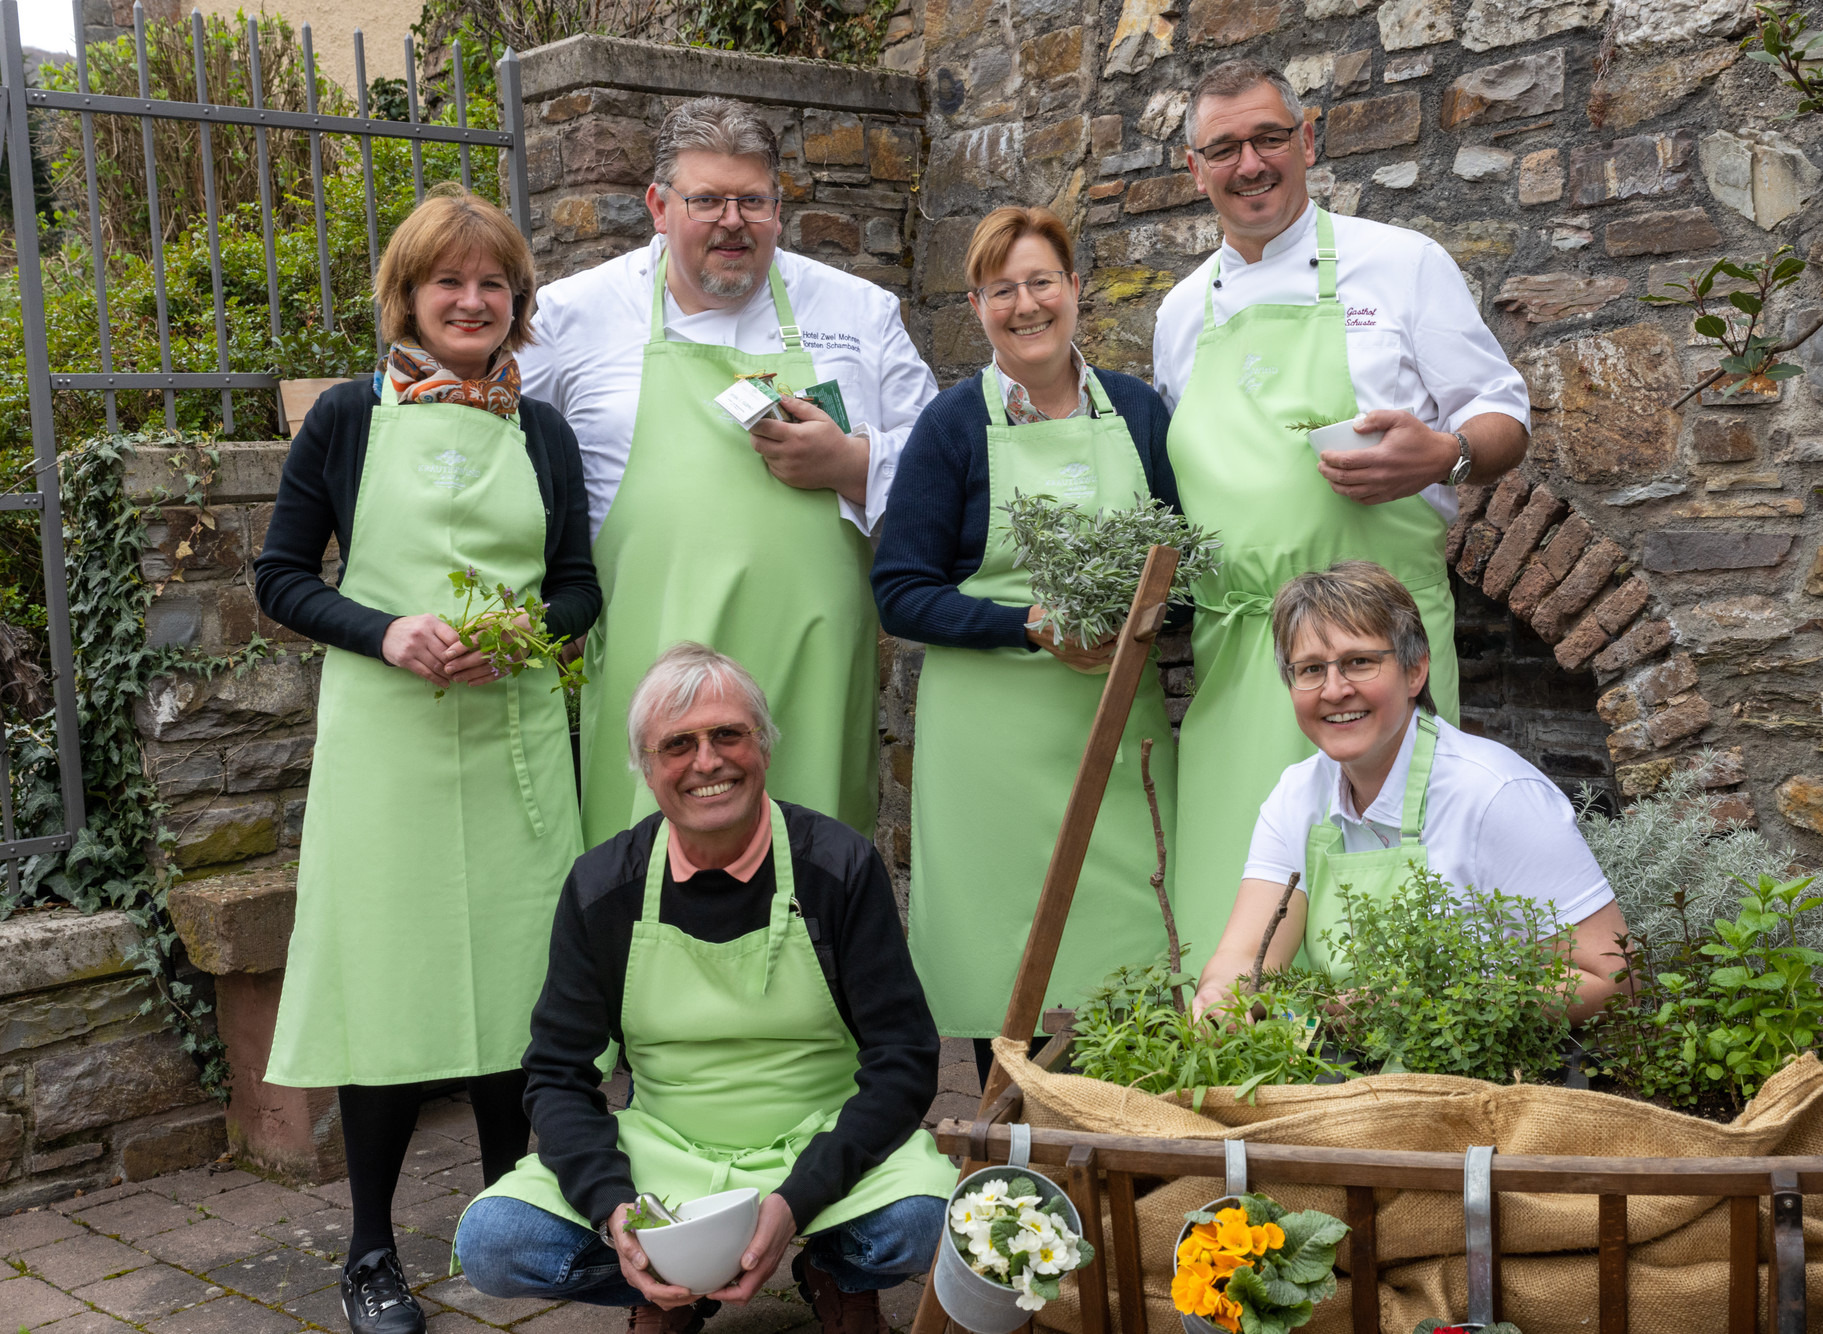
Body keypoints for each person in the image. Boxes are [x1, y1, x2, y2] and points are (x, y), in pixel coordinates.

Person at [253, 186, 598, 1334]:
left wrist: (526, 637)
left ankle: (521, 1225)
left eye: (491, 282)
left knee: (519, 988)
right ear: (406, 296)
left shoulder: (539, 431)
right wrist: (388, 629)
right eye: (447, 281)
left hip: (513, 742)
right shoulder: (346, 419)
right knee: (391, 993)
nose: (470, 299)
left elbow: (577, 584)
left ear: (517, 304)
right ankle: (369, 1253)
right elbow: (282, 575)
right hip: (387, 744)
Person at [1151, 60, 1534, 967]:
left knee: (1387, 908)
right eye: (1224, 148)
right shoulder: (1178, 314)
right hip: (1242, 657)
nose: (1250, 164)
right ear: (1193, 168)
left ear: (1308, 141)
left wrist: (1447, 452)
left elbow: (1504, 416)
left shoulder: (1400, 264)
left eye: (1269, 139)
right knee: (1234, 911)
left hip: (1371, 656)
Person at [456, 643, 957, 1334]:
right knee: (494, 1244)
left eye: (729, 734)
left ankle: (835, 1266)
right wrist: (619, 1211)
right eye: (677, 745)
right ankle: (668, 1282)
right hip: (666, 1154)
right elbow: (557, 1072)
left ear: (765, 747)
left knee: (929, 1227)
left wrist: (796, 1202)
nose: (707, 762)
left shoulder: (838, 866)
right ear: (645, 766)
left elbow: (903, 1055)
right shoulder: (604, 887)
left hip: (819, 1140)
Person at [519, 96, 937, 847]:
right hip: (652, 673)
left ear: (780, 206)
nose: (732, 221)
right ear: (658, 205)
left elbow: (945, 472)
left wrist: (854, 462)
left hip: (813, 672)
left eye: (753, 200)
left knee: (813, 875)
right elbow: (493, 450)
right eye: (706, 199)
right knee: (649, 886)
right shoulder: (572, 316)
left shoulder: (860, 313)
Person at [873, 206, 1185, 1087]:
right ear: (977, 307)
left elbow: (1183, 556)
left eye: (1042, 280)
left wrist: (1149, 613)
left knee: (1131, 928)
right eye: (1002, 289)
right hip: (992, 744)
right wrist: (1024, 624)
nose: (1026, 304)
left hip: (1116, 728)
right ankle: (1014, 1153)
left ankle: (1130, 1147)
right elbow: (901, 591)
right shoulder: (950, 426)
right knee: (1000, 949)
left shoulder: (1135, 410)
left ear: (1077, 290)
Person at [1191, 561, 1627, 1020]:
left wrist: (1430, 1008)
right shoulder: (1296, 794)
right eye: (1311, 669)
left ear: (1415, 671)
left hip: (1494, 1078)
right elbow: (1245, 961)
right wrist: (1221, 1000)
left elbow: (1611, 978)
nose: (1334, 690)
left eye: (1359, 662)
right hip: (1351, 1068)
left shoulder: (1494, 794)